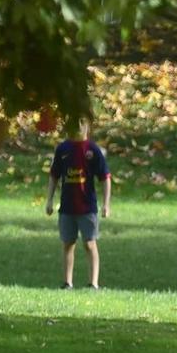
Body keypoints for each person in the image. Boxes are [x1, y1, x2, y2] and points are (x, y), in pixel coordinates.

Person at [45, 120, 111, 289]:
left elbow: (105, 178)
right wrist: (50, 200)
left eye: (82, 123)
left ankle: (93, 282)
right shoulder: (63, 149)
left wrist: (106, 204)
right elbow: (54, 176)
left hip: (87, 207)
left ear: (87, 127)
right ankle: (67, 282)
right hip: (67, 207)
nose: (78, 127)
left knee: (90, 243)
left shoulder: (92, 150)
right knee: (68, 243)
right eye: (75, 123)